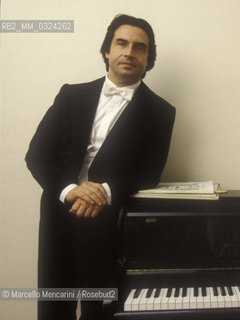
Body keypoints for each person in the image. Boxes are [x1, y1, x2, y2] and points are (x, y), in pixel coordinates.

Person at [25, 14, 175, 320]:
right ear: (107, 50)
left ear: (148, 58)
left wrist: (102, 193)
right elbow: (37, 154)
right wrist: (71, 191)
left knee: (101, 313)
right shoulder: (71, 95)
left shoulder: (161, 112)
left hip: (109, 224)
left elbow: (150, 172)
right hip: (59, 217)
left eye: (140, 47)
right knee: (54, 310)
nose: (129, 52)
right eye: (121, 43)